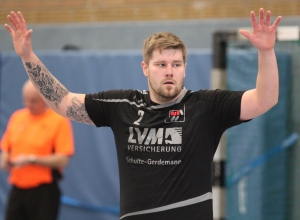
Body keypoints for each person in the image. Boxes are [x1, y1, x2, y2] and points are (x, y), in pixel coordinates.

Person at [3, 8, 281, 220]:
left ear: (185, 68)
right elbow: (62, 101)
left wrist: (266, 52)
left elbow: (264, 99)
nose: (169, 70)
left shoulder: (206, 106)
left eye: (176, 63)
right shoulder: (122, 104)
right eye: (160, 64)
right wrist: (28, 57)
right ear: (145, 68)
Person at [0, 80, 74, 220]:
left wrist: (31, 159)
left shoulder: (58, 121)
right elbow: (6, 147)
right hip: (17, 188)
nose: (28, 105)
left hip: (44, 191)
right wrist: (4, 159)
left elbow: (63, 159)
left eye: (33, 101)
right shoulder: (17, 117)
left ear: (44, 99)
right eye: (25, 100)